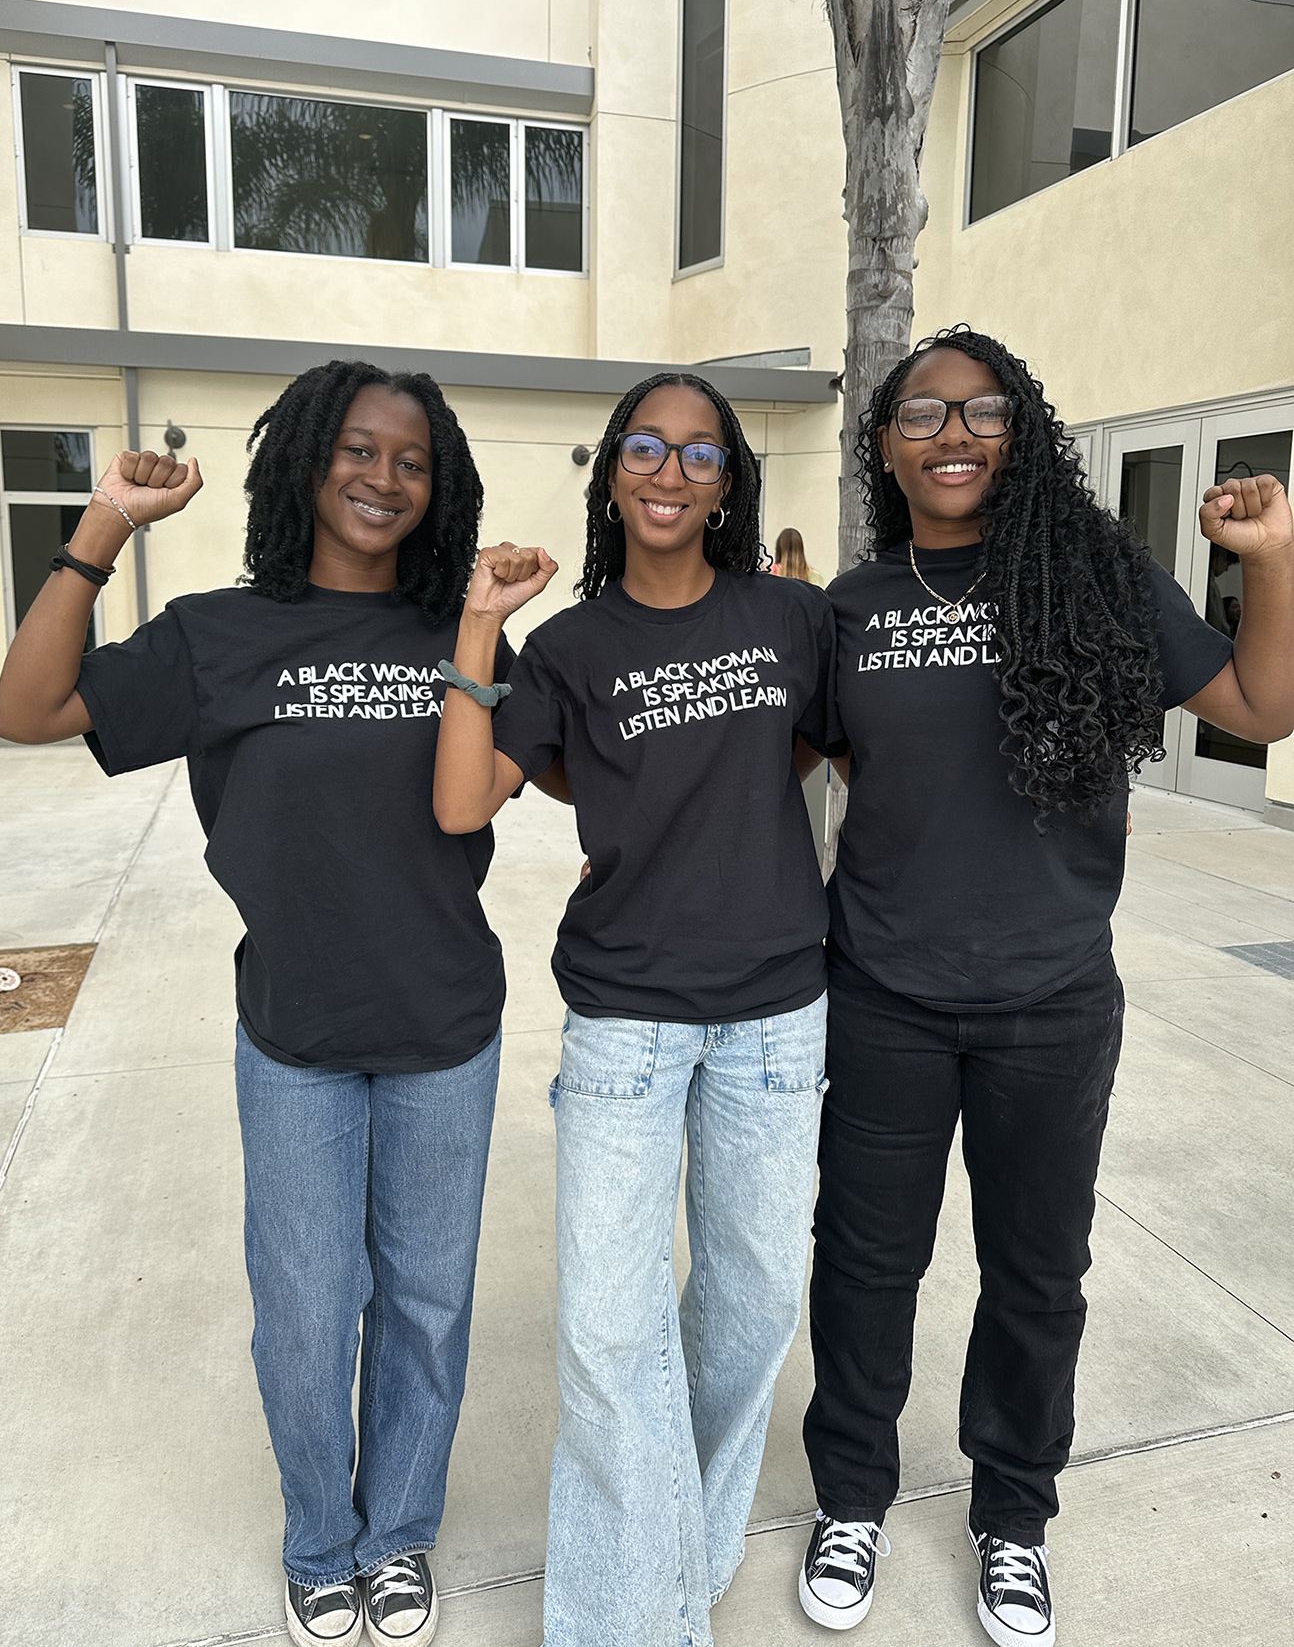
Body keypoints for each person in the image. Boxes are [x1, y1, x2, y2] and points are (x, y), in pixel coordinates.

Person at [0, 360, 540, 1647]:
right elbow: (26, 707)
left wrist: (490, 625)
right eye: (357, 449)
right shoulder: (217, 633)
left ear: (438, 485)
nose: (382, 477)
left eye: (411, 460)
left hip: (444, 1026)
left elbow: (512, 785)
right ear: (306, 464)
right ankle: (321, 1539)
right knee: (305, 1306)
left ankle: (399, 1532)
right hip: (293, 1029)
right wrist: (102, 527)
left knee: (426, 1298)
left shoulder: (460, 636)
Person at [797, 328, 1294, 1646]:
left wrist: (1272, 561)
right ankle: (850, 1492)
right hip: (885, 993)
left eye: (980, 410)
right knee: (862, 1261)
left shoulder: (1097, 576)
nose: (951, 433)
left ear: (1018, 432)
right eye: (922, 413)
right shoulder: (852, 607)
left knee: (1034, 1273)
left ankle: (1011, 1514)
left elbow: (1259, 704)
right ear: (883, 443)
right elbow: (822, 765)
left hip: (1051, 999)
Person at [432, 371, 842, 1647]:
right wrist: (479, 622)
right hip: (625, 1019)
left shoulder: (792, 618)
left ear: (729, 483)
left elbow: (812, 745)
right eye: (647, 448)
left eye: (700, 453)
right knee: (610, 1330)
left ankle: (685, 1552)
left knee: (751, 1301)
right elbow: (463, 802)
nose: (670, 471)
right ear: (612, 471)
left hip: (777, 1012)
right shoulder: (567, 648)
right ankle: (630, 1621)